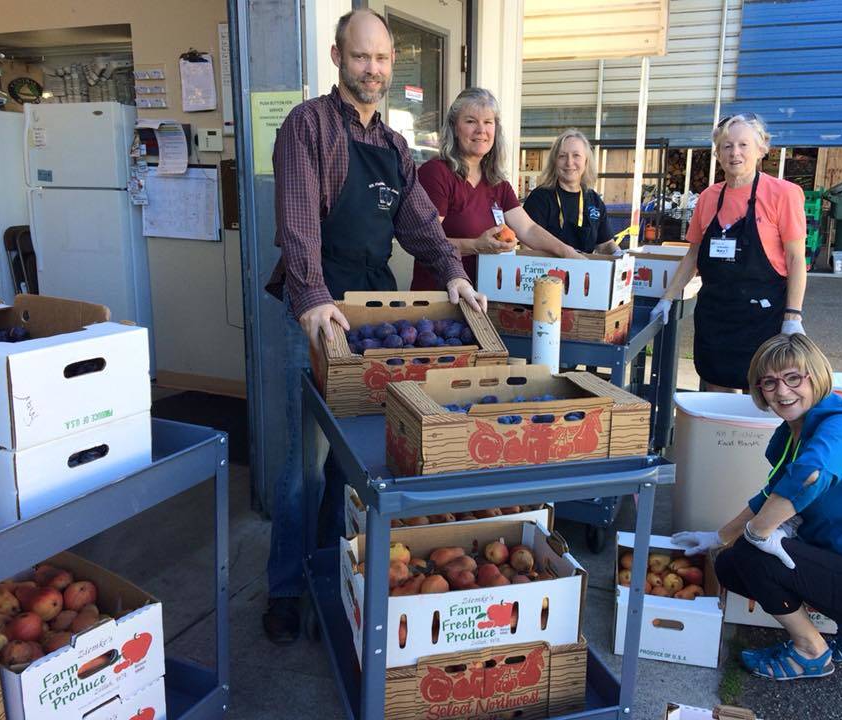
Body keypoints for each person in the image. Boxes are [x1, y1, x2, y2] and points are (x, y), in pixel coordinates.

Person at [262, 8, 485, 645]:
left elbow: (420, 223)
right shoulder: (308, 126)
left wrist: (452, 273)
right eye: (362, 58)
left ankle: (334, 569)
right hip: (316, 308)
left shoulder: (393, 147)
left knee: (351, 458)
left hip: (371, 309)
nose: (374, 70)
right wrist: (309, 297)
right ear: (337, 58)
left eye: (383, 58)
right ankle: (284, 587)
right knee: (302, 463)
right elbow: (298, 222)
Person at [673, 334, 842, 680]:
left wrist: (760, 533)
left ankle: (810, 650)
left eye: (793, 378)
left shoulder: (841, 424)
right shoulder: (793, 431)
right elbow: (772, 494)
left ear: (816, 376)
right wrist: (718, 536)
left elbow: (812, 474)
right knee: (731, 562)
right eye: (769, 382)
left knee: (754, 556)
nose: (782, 392)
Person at [649, 113, 808, 391]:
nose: (735, 153)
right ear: (717, 154)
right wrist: (668, 297)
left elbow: (796, 259)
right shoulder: (709, 197)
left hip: (764, 318)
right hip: (716, 316)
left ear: (762, 149)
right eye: (727, 146)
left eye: (743, 145)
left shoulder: (784, 194)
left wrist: (793, 317)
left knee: (761, 396)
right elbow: (693, 254)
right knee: (713, 394)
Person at [410, 87, 582, 291]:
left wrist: (568, 252)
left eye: (488, 122)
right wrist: (476, 245)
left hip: (486, 299)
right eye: (471, 121)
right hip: (442, 299)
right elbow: (426, 242)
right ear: (454, 128)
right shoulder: (436, 174)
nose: (481, 130)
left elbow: (528, 229)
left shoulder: (497, 183)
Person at [523, 129, 618, 254]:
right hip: (549, 272)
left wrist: (622, 258)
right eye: (562, 156)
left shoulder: (594, 200)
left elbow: (605, 245)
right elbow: (527, 248)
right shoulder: (539, 198)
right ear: (554, 162)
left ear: (586, 161)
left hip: (585, 272)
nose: (569, 162)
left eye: (576, 155)